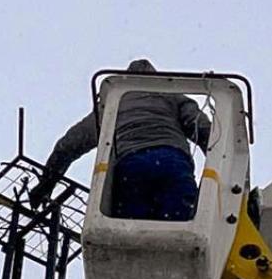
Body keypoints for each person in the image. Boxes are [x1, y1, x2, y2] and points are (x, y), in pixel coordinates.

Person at [29, 59, 212, 221]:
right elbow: (203, 129)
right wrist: (217, 165)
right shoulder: (173, 96)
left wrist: (46, 184)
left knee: (129, 233)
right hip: (172, 164)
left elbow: (69, 145)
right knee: (182, 229)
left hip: (131, 167)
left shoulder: (113, 104)